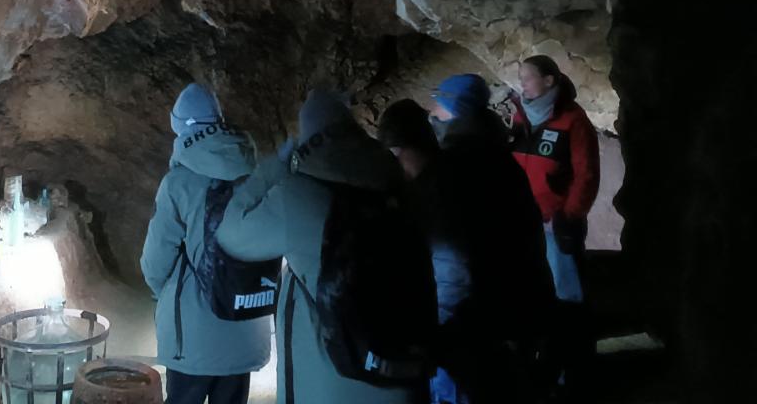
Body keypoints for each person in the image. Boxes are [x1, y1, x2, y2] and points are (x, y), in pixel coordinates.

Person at [216, 91, 429, 404]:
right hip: (401, 367)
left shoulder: (299, 193)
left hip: (334, 379)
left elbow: (231, 234)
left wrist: (275, 166)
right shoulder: (399, 184)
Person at [380, 85, 551, 404]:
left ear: (403, 150)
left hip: (476, 329)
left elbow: (453, 266)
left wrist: (440, 335)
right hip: (519, 310)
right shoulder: (485, 160)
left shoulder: (441, 185)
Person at [140, 83, 271, 404]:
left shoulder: (178, 183)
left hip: (194, 336)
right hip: (245, 325)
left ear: (180, 127)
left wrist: (166, 295)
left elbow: (156, 261)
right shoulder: (259, 176)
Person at [511, 56, 600, 397]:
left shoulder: (573, 120)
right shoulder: (521, 116)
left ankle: (576, 373)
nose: (522, 83)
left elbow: (586, 173)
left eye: (528, 77)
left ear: (549, 81)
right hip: (525, 224)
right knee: (535, 295)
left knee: (569, 298)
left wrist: (569, 216)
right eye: (520, 77)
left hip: (555, 225)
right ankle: (546, 365)